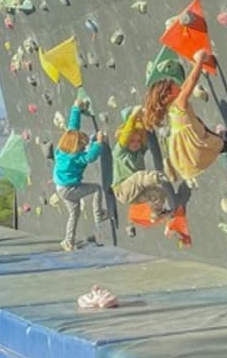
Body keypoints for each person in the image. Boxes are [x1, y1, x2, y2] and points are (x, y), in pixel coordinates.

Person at [141, 50, 227, 190]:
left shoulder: (172, 108)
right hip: (198, 147)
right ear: (167, 95)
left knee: (199, 124)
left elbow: (185, 85)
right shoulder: (180, 103)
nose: (175, 84)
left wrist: (196, 66)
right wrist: (199, 61)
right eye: (172, 85)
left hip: (195, 136)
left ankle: (217, 137)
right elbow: (192, 82)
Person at [53, 100, 108, 251]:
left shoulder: (62, 149)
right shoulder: (77, 157)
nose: (84, 147)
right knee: (96, 188)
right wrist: (99, 143)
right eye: (82, 145)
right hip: (70, 188)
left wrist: (76, 108)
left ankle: (68, 240)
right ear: (76, 145)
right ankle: (99, 214)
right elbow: (90, 157)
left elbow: (73, 127)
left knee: (74, 213)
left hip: (61, 188)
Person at [111, 105, 176, 221]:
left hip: (136, 193)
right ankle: (162, 176)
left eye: (137, 141)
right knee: (140, 176)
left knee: (159, 193)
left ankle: (158, 213)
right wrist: (133, 116)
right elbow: (126, 134)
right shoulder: (119, 151)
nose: (135, 144)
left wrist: (145, 118)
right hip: (122, 190)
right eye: (132, 141)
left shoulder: (140, 150)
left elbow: (144, 134)